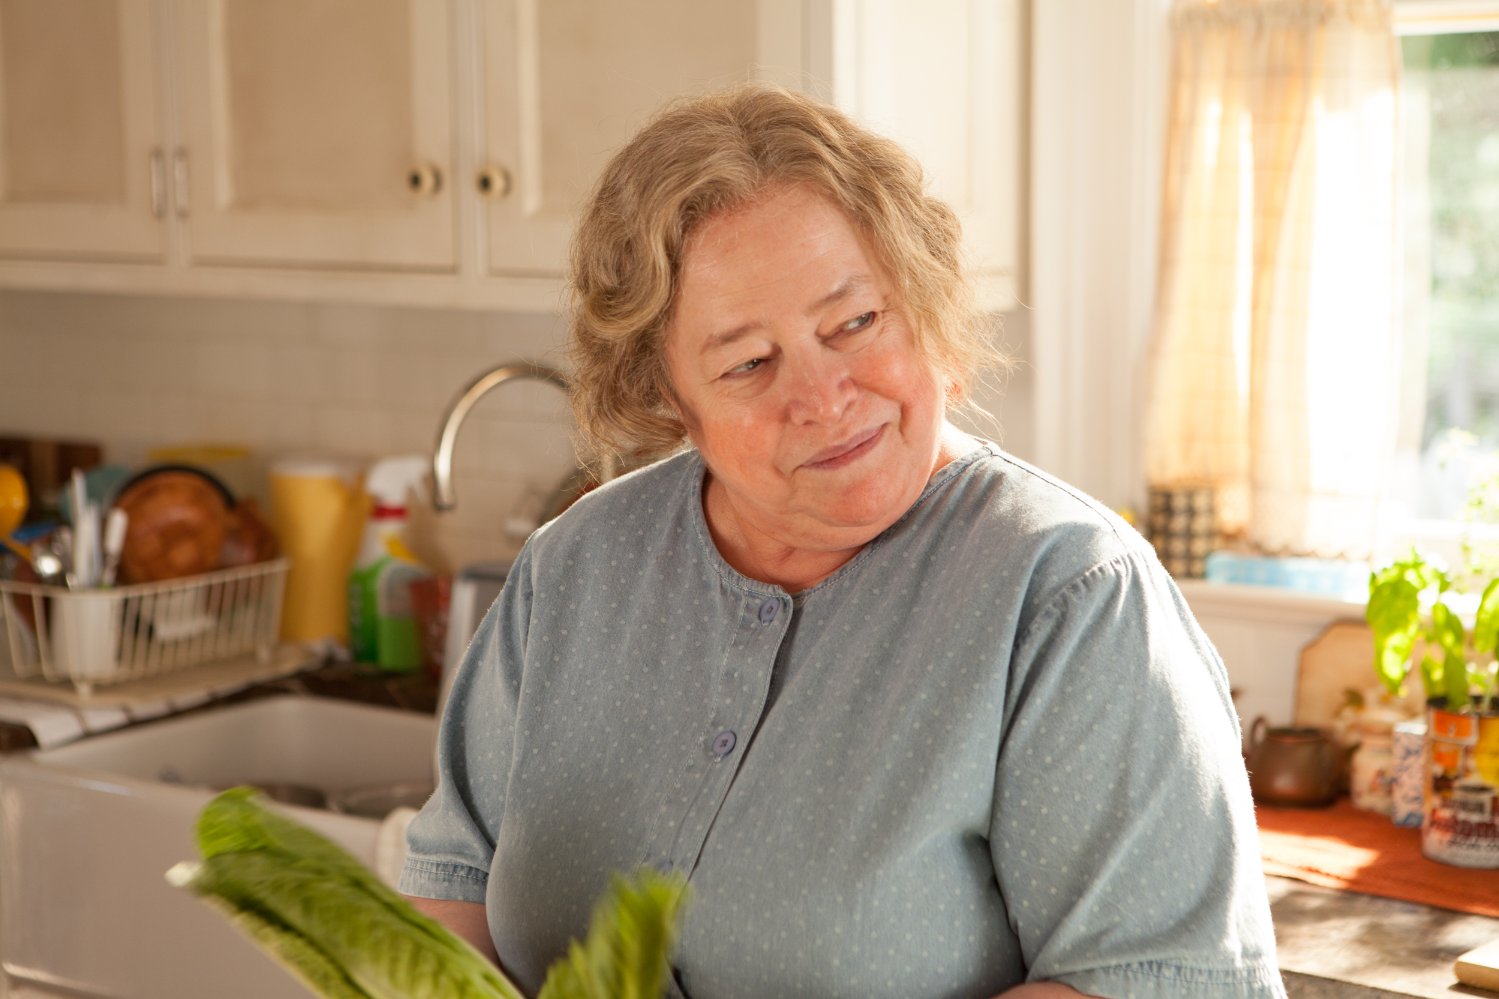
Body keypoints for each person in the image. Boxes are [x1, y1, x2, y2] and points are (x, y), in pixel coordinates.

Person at [400, 83, 1286, 999]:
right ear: (666, 396)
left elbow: (1145, 982)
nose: (823, 396)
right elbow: (455, 885)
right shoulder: (575, 567)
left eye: (854, 322)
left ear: (922, 299)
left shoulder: (1070, 596)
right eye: (748, 362)